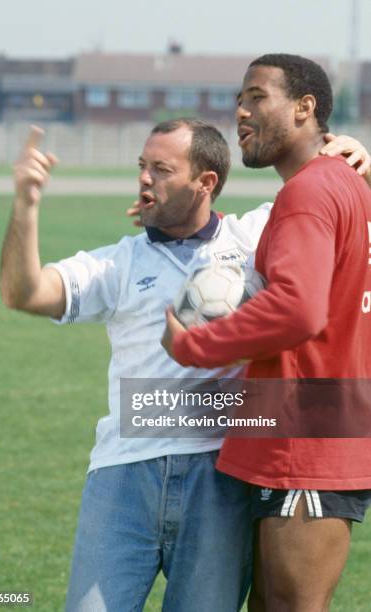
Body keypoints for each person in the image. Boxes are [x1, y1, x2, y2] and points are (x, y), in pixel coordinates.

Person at [0, 117, 369, 612]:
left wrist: (356, 158)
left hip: (220, 479)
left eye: (161, 169)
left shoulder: (256, 236)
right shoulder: (118, 264)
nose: (144, 179)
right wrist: (26, 202)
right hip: (123, 476)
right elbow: (23, 293)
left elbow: (337, 213)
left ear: (205, 183)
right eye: (141, 167)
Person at [162, 55, 371, 611]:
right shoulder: (344, 183)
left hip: (306, 435)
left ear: (305, 109)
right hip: (320, 425)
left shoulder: (310, 192)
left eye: (257, 97)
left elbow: (299, 310)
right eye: (240, 98)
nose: (241, 111)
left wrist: (192, 344)